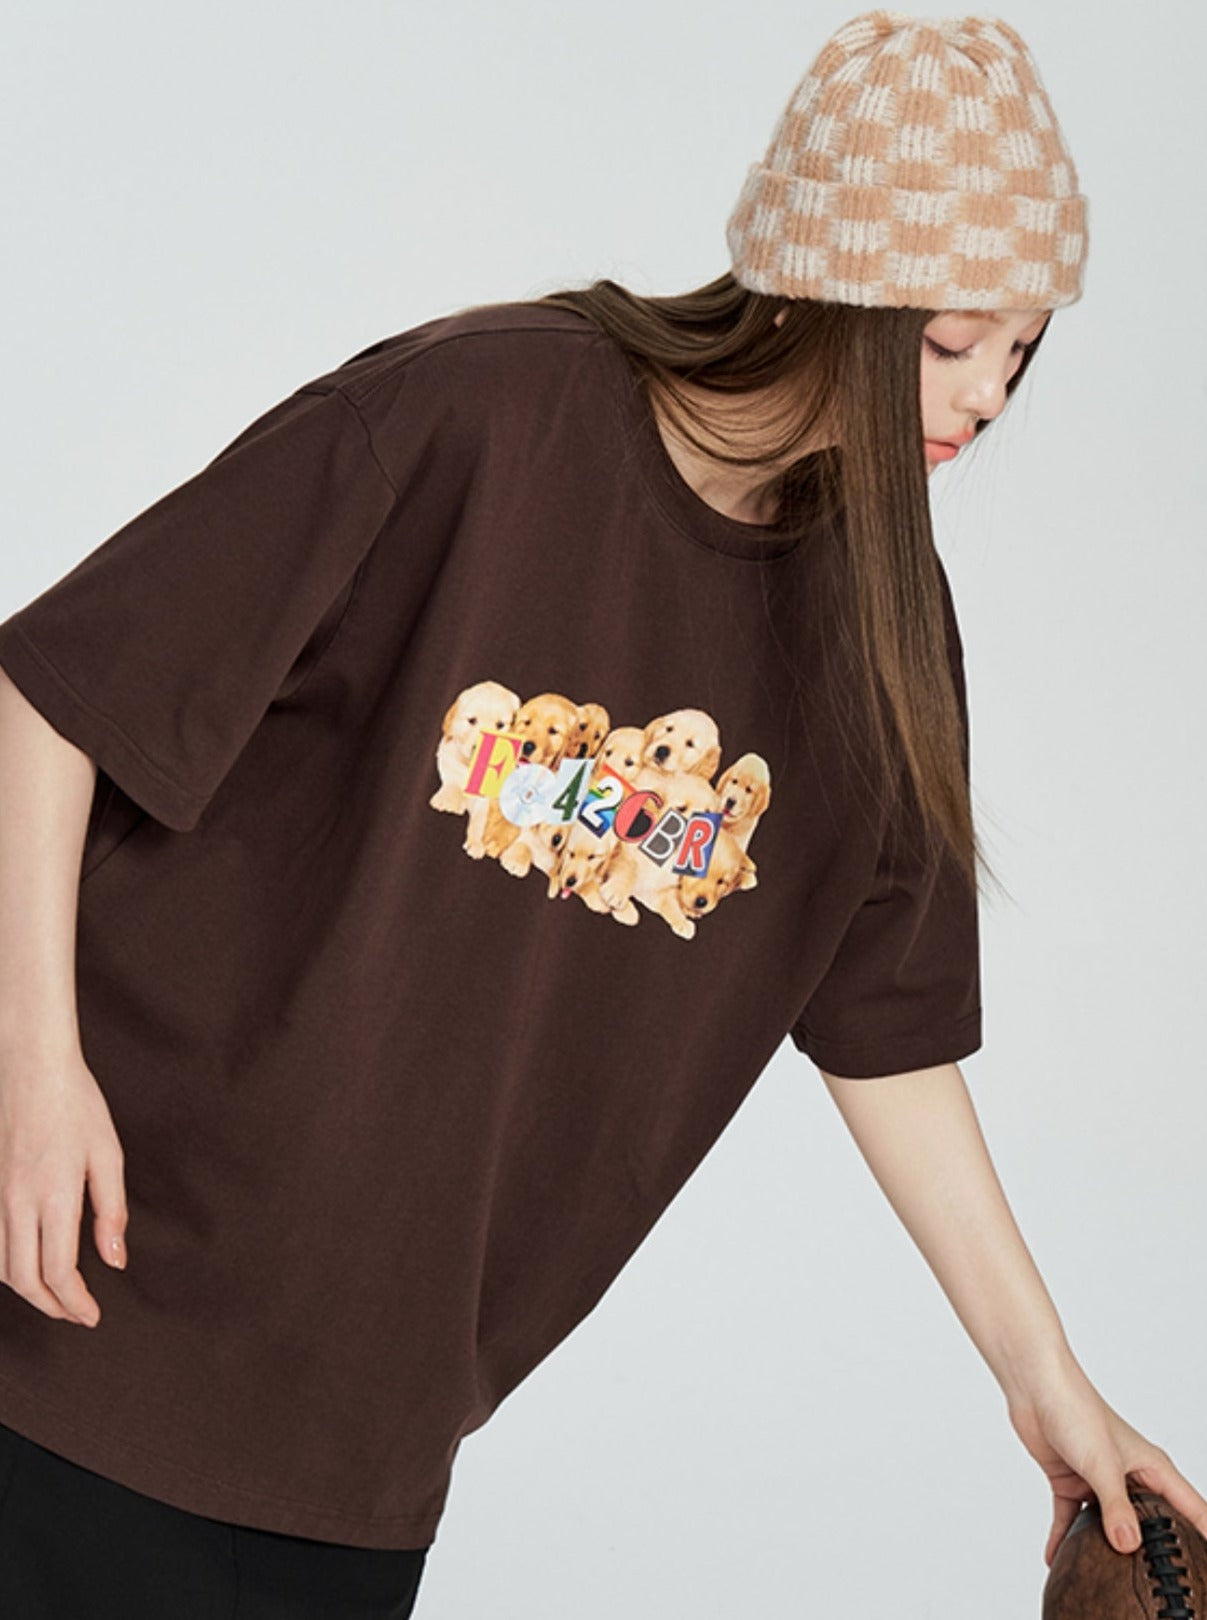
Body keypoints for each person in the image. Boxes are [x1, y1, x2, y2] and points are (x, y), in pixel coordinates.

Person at [0, 9, 1202, 1616]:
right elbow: (55, 694)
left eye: (1020, 356)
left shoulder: (883, 626)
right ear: (827, 284)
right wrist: (31, 1072)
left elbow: (891, 1034)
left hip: (365, 1435)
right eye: (951, 341)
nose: (987, 397)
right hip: (84, 1299)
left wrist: (1048, 1385)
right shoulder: (484, 413)